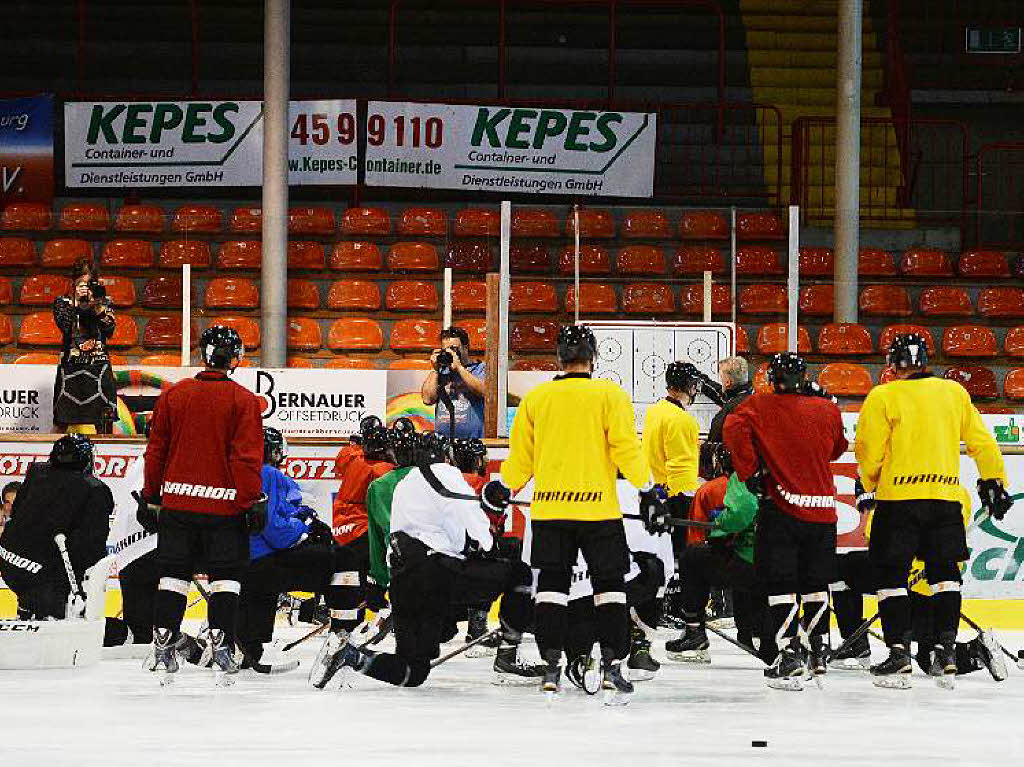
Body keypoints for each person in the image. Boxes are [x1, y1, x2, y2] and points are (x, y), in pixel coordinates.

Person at [490, 324, 656, 703]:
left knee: (551, 587)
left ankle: (552, 666)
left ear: (559, 358)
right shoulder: (610, 394)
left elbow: (521, 460)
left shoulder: (538, 398)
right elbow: (626, 450)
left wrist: (503, 487)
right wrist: (648, 489)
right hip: (599, 510)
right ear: (594, 357)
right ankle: (613, 666)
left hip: (551, 509)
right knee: (610, 588)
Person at [309, 430, 539, 689]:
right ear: (446, 456)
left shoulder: (404, 484)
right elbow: (482, 540)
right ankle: (507, 657)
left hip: (402, 583)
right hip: (437, 573)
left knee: (413, 672)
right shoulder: (448, 474)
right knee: (518, 573)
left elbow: (385, 539)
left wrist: (378, 584)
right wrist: (492, 519)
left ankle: (350, 655)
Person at [855, 333, 1010, 688]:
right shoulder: (954, 392)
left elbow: (869, 450)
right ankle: (946, 651)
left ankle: (898, 655)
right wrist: (993, 480)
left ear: (893, 365)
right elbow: (982, 443)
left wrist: (868, 482)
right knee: (944, 576)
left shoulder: (883, 395)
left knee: (891, 577)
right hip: (944, 499)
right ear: (925, 360)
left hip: (898, 502)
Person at [140, 324, 265, 685]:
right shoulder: (244, 400)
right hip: (225, 510)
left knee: (173, 576)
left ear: (203, 355)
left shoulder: (174, 396)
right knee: (227, 577)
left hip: (178, 506)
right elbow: (246, 459)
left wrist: (152, 496)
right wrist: (250, 499)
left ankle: (162, 647)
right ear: (236, 358)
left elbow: (156, 452)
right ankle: (222, 648)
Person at [723, 352, 847, 690]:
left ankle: (790, 655)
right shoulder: (826, 407)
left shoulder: (760, 406)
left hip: (782, 509)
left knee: (781, 586)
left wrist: (751, 471)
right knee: (816, 584)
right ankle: (819, 652)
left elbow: (732, 426)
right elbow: (837, 448)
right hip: (823, 511)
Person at [238, 427, 366, 670]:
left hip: (242, 563)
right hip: (264, 563)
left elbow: (274, 517)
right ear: (274, 451)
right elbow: (277, 533)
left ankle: (249, 641)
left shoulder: (240, 471)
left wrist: (300, 518)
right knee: (345, 558)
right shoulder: (268, 474)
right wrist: (305, 526)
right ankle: (340, 637)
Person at [664, 470, 776, 664]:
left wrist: (720, 523)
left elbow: (740, 514)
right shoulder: (793, 469)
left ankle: (694, 633)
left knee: (693, 558)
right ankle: (781, 640)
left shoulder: (736, 477)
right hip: (788, 563)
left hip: (754, 562)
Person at [0, 435, 112, 619]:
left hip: (8, 564)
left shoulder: (36, 471)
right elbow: (92, 546)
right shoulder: (94, 488)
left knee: (36, 586)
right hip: (44, 580)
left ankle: (28, 607)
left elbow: (17, 512)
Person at [641, 362, 702, 626]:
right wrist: (685, 496)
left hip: (658, 491)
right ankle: (676, 608)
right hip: (677, 495)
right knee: (680, 556)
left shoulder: (655, 411)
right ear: (689, 386)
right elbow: (680, 464)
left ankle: (662, 605)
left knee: (663, 554)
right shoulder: (682, 419)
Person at [52, 259, 117, 434]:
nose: (84, 287)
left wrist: (94, 305)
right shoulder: (62, 302)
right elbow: (65, 327)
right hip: (71, 367)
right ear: (73, 282)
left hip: (99, 366)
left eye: (88, 283)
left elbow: (109, 330)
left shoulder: (104, 302)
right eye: (80, 283)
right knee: (61, 420)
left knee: (105, 422)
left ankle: (107, 458)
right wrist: (77, 304)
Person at [421, 326, 486, 438]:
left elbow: (483, 391)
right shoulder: (441, 371)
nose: (450, 353)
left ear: (466, 347)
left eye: (454, 349)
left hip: (472, 442)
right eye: (446, 350)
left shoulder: (480, 368)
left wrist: (459, 368)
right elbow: (427, 399)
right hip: (443, 442)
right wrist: (435, 369)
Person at [706, 356, 752, 445]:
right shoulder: (747, 397)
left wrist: (705, 448)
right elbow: (719, 393)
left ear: (728, 382)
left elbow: (718, 440)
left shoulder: (733, 407)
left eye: (721, 377)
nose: (721, 381)